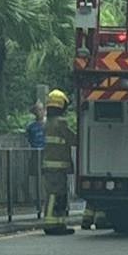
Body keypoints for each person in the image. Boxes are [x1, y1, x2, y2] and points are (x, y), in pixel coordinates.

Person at [41, 90, 76, 236]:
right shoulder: (61, 123)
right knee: (55, 195)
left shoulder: (46, 123)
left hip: (49, 166)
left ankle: (60, 223)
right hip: (59, 166)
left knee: (56, 194)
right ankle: (51, 223)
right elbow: (72, 139)